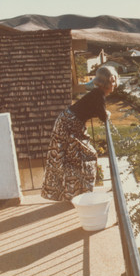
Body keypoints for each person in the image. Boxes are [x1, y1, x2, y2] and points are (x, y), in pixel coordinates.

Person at [41, 66, 119, 201]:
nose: (114, 86)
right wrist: (106, 113)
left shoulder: (96, 94)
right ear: (109, 82)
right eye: (113, 82)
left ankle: (74, 194)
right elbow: (103, 116)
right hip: (69, 125)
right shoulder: (99, 95)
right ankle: (81, 195)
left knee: (71, 159)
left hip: (67, 122)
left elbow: (93, 110)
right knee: (86, 156)